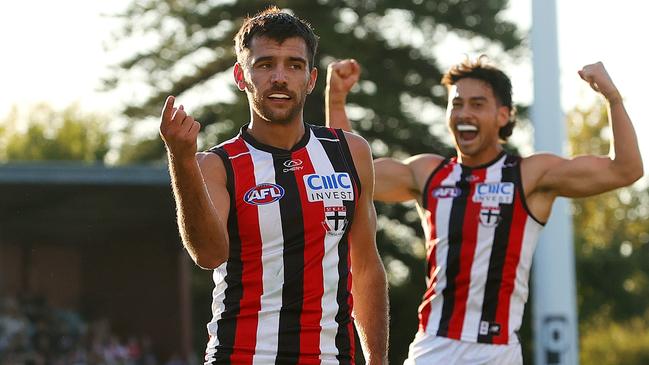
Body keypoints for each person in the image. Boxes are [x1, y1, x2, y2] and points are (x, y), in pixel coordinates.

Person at [326, 57, 643, 364]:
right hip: (432, 348)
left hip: (496, 352)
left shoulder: (530, 175)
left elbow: (626, 170)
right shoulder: (428, 174)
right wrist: (337, 100)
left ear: (503, 115)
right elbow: (347, 173)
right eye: (457, 104)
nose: (464, 113)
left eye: (477, 104)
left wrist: (613, 98)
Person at [159, 7, 389, 365]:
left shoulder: (351, 152)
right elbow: (208, 255)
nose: (279, 77)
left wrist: (377, 361)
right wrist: (181, 160)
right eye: (265, 64)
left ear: (311, 79)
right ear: (241, 75)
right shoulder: (215, 165)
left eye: (294, 66)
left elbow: (365, 267)